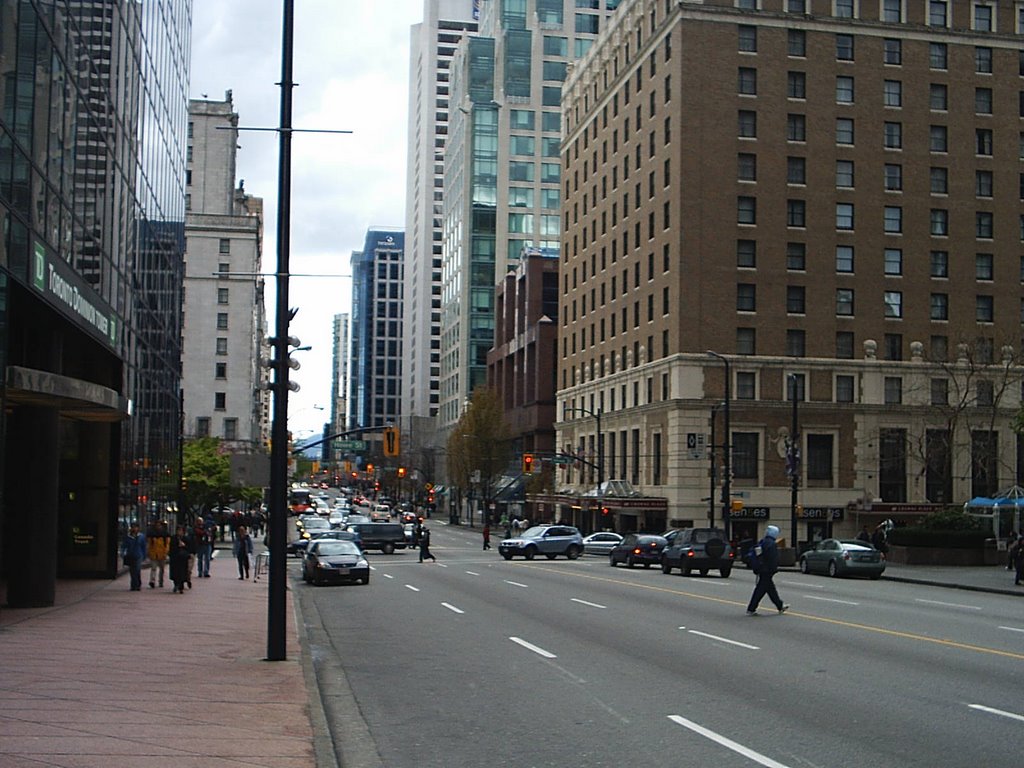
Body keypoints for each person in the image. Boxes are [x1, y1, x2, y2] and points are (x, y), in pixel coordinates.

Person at [746, 525, 789, 616]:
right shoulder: (771, 544)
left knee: (770, 589)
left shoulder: (763, 542)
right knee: (761, 590)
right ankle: (751, 608)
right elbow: (772, 558)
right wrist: (774, 569)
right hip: (767, 570)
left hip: (762, 569)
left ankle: (780, 605)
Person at [120, 523, 147, 591]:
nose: (134, 529)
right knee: (132, 571)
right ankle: (133, 585)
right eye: (133, 527)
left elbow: (144, 546)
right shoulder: (128, 537)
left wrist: (144, 555)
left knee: (137, 569)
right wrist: (123, 553)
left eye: (136, 527)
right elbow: (124, 545)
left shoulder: (141, 536)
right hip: (130, 555)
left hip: (138, 555)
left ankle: (137, 584)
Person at [168, 524, 193, 594]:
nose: (179, 532)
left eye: (181, 531)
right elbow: (171, 548)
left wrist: (184, 546)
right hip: (175, 558)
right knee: (175, 572)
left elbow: (190, 548)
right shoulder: (173, 538)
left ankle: (181, 586)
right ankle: (176, 584)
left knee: (182, 572)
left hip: (183, 558)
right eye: (178, 530)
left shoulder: (186, 539)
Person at [147, 520, 170, 589]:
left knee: (162, 569)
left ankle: (160, 581)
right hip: (154, 553)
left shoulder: (165, 535)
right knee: (153, 568)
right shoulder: (151, 535)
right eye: (157, 525)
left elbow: (167, 545)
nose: (158, 527)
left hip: (162, 553)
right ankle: (152, 581)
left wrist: (165, 553)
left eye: (159, 525)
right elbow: (149, 545)